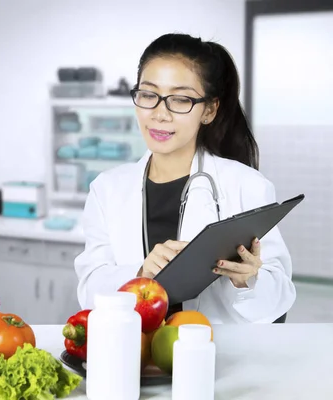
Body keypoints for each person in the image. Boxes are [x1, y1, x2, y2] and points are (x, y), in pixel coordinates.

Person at [74, 33, 296, 324]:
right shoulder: (107, 189)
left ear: (209, 110)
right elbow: (89, 288)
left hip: (215, 355)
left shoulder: (246, 185)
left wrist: (248, 280)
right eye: (149, 95)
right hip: (136, 356)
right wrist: (140, 274)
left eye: (180, 100)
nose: (160, 114)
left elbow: (279, 299)